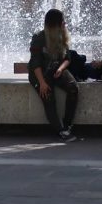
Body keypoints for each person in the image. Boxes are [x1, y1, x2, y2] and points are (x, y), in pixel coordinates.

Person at [28, 9, 79, 142]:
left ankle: (67, 124)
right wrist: (42, 83)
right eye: (62, 22)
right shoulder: (39, 38)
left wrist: (61, 69)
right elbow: (35, 63)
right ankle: (60, 130)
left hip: (56, 70)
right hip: (40, 74)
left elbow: (67, 57)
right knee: (49, 99)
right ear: (54, 24)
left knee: (73, 87)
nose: (64, 24)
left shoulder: (62, 35)